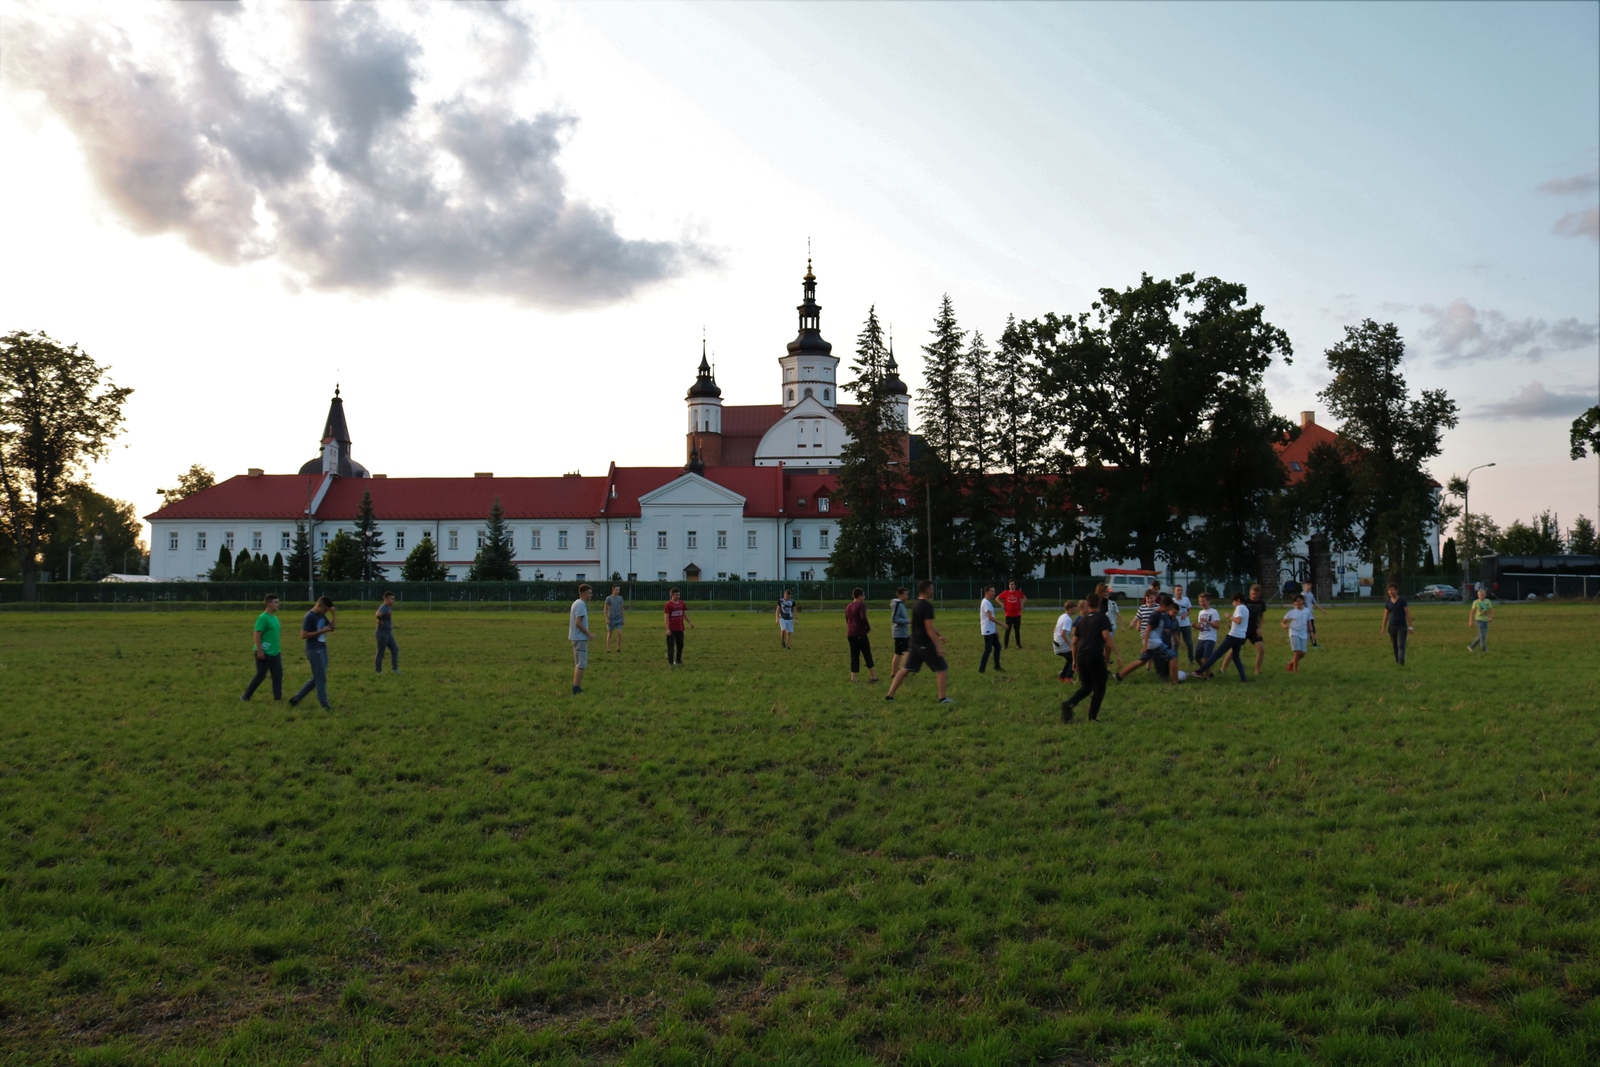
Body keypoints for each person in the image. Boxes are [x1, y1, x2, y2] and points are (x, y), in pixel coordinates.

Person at [884, 580, 952, 704]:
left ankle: (890, 695)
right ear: (926, 590)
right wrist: (938, 646)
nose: (933, 591)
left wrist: (939, 635)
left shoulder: (916, 605)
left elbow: (924, 625)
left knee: (905, 669)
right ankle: (942, 698)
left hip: (914, 643)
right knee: (942, 668)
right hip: (924, 643)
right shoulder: (927, 606)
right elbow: (928, 628)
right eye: (932, 589)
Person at [1061, 592, 1117, 722]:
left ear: (1087, 604)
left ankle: (1068, 704)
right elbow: (1106, 636)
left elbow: (1074, 642)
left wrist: (1074, 660)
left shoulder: (1082, 620)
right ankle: (1092, 717)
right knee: (1100, 687)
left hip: (1082, 656)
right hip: (1095, 656)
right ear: (1099, 604)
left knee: (1086, 687)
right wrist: (1118, 654)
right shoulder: (1102, 618)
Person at [289, 596, 336, 709]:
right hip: (314, 649)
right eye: (325, 610)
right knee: (321, 679)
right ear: (319, 605)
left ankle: (296, 699)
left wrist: (333, 615)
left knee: (317, 678)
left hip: (322, 648)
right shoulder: (309, 616)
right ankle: (325, 706)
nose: (325, 612)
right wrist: (321, 631)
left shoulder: (321, 615)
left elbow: (331, 628)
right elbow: (303, 635)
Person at [1194, 592, 1251, 682]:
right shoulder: (1246, 609)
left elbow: (1238, 620)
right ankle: (1244, 679)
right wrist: (1230, 625)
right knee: (1236, 658)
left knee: (1217, 654)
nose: (1233, 604)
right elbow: (1241, 624)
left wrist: (1229, 616)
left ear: (1238, 600)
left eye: (1233, 602)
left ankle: (1200, 671)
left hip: (1233, 635)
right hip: (1241, 636)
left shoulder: (1239, 607)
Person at [242, 593, 283, 701]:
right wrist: (260, 651)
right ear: (268, 604)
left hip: (275, 652)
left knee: (278, 675)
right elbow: (257, 634)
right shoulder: (263, 618)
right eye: (276, 602)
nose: (278, 605)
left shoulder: (274, 618)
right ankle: (246, 696)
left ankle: (277, 698)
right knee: (261, 675)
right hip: (265, 652)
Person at [845, 587, 877, 682]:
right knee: (867, 654)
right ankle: (873, 677)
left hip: (850, 634)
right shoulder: (860, 605)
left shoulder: (848, 606)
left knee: (854, 655)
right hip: (860, 633)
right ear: (860, 596)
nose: (864, 598)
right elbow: (863, 617)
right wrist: (867, 627)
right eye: (863, 595)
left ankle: (853, 678)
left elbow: (847, 620)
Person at [1380, 583, 1413, 664]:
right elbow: (1385, 616)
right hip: (1392, 627)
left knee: (1401, 645)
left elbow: (1407, 614)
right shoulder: (1388, 602)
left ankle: (1401, 661)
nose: (1390, 592)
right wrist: (1383, 628)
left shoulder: (1402, 601)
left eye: (1392, 590)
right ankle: (1397, 661)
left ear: (1396, 590)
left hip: (1401, 627)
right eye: (1389, 590)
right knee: (1395, 646)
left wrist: (1410, 626)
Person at [569, 583, 592, 694]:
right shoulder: (581, 605)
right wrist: (588, 633)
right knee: (581, 664)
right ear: (583, 594)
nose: (591, 595)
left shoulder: (576, 603)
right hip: (579, 638)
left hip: (576, 638)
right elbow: (577, 622)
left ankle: (576, 685)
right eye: (589, 593)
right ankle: (576, 688)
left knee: (579, 663)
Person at [1281, 593, 1311, 673]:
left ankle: (1291, 662)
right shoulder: (1291, 612)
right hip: (1294, 632)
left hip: (1303, 633)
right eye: (1295, 602)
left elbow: (1308, 621)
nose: (1297, 603)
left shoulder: (1307, 611)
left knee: (1303, 653)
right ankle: (1295, 671)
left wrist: (1311, 631)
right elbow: (1283, 622)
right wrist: (1284, 625)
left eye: (1299, 601)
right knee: (1297, 652)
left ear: (1303, 601)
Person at [664, 587, 693, 666]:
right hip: (672, 628)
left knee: (680, 645)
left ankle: (678, 660)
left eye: (679, 595)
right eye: (676, 595)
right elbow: (666, 616)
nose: (678, 596)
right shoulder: (668, 604)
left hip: (680, 628)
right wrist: (667, 628)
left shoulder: (681, 603)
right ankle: (671, 662)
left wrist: (690, 622)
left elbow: (684, 613)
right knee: (671, 646)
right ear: (672, 595)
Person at [978, 584, 1003, 672]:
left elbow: (991, 616)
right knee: (988, 649)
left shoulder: (988, 602)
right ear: (986, 592)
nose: (994, 593)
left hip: (991, 629)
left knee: (997, 646)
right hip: (987, 629)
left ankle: (997, 666)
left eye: (994, 591)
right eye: (992, 591)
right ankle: (981, 669)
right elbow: (990, 617)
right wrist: (1002, 624)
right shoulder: (985, 602)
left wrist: (996, 629)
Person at [374, 591, 400, 674]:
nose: (393, 601)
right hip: (382, 633)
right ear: (386, 599)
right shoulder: (383, 607)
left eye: (393, 599)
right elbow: (378, 614)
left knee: (395, 649)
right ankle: (378, 671)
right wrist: (380, 620)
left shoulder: (388, 607)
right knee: (380, 652)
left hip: (388, 633)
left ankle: (395, 669)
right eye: (391, 599)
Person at [1052, 600, 1077, 681]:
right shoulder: (1068, 619)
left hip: (1056, 642)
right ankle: (1068, 677)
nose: (1076, 609)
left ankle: (1062, 676)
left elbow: (1055, 629)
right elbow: (1063, 633)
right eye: (1075, 607)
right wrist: (1070, 646)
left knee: (1070, 659)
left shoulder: (1062, 616)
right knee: (1075, 657)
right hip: (1061, 643)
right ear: (1070, 608)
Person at [1246, 583, 1268, 675]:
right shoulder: (1245, 601)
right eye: (1253, 594)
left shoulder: (1261, 603)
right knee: (1234, 650)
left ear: (1259, 594)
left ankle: (1257, 670)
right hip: (1243, 629)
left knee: (1261, 649)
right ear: (1250, 593)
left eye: (1256, 594)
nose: (1254, 596)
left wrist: (1259, 628)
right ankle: (1222, 669)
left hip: (1254, 629)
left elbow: (1261, 617)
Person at [1194, 592, 1220, 668]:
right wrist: (1195, 626)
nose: (1201, 603)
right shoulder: (1200, 612)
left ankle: (1207, 675)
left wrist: (1207, 621)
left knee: (1206, 658)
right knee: (1197, 657)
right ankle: (1204, 669)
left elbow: (1217, 626)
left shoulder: (1214, 612)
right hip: (1201, 638)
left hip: (1210, 638)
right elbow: (1200, 627)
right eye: (1200, 601)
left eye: (1203, 601)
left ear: (1208, 601)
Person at [998, 580, 1027, 647]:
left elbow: (1025, 598)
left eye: (1012, 584)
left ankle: (1018, 644)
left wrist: (1022, 603)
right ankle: (1005, 645)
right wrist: (1001, 604)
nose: (1011, 586)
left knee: (1017, 630)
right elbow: (997, 598)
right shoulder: (1006, 593)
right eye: (1010, 584)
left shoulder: (1018, 592)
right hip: (1009, 615)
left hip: (1017, 614)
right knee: (1008, 630)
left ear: (1015, 585)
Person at [889, 587, 912, 674]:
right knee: (898, 653)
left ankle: (904, 670)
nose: (907, 596)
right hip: (899, 633)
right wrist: (908, 621)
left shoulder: (901, 604)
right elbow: (894, 619)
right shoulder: (897, 604)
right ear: (900, 595)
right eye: (905, 594)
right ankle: (894, 673)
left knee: (909, 650)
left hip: (904, 633)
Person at [1173, 584, 1195, 663]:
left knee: (1189, 643)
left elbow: (1189, 611)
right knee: (1175, 643)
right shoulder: (1172, 601)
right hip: (1175, 625)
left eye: (1181, 590)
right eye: (1178, 590)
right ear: (1174, 591)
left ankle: (1191, 660)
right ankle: (1174, 660)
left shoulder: (1186, 599)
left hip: (1185, 624)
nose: (1179, 592)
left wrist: (1185, 615)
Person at [1467, 586, 1493, 651]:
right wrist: (1470, 621)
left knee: (1481, 635)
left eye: (1482, 595)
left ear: (1485, 595)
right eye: (1479, 595)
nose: (1480, 596)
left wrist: (1490, 617)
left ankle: (1471, 646)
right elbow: (1472, 612)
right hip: (1478, 619)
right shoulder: (1476, 602)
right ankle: (1483, 648)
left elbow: (1491, 610)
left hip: (1485, 620)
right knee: (1483, 635)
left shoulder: (1488, 601)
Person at [604, 585, 626, 652]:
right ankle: (608, 649)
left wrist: (623, 618)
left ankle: (618, 648)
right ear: (613, 590)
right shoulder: (609, 598)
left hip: (618, 618)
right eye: (616, 589)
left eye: (618, 590)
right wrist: (606, 619)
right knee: (610, 634)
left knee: (619, 633)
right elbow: (605, 609)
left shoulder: (620, 598)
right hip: (611, 618)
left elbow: (621, 608)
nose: (618, 591)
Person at [1301, 581, 1321, 648]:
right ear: (1304, 585)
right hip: (1305, 615)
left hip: (1310, 614)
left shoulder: (1311, 594)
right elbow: (1302, 605)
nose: (1308, 586)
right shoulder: (1303, 595)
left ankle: (1314, 643)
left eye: (1309, 585)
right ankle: (1314, 644)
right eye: (1307, 585)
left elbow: (1314, 603)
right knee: (1310, 629)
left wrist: (1322, 610)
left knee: (1309, 629)